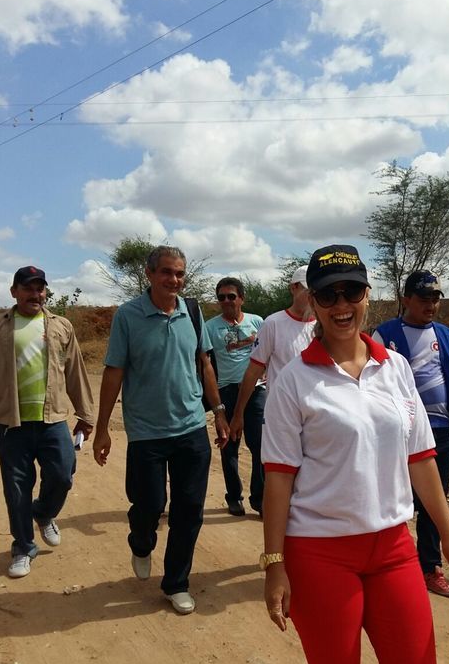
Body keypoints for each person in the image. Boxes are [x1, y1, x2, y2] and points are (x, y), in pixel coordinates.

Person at [260, 245, 449, 664]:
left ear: (367, 295)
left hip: (393, 546)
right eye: (327, 295)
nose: (341, 305)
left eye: (351, 292)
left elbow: (421, 457)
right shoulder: (295, 379)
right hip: (319, 552)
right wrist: (274, 565)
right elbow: (278, 475)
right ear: (311, 301)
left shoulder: (395, 367)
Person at [92, 246, 228, 615]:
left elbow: (205, 363)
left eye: (180, 274)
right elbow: (114, 371)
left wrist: (217, 411)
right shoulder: (128, 316)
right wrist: (102, 427)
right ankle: (141, 542)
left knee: (190, 510)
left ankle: (176, 583)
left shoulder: (193, 312)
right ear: (150, 274)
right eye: (167, 272)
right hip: (146, 432)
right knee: (149, 504)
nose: (174, 280)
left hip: (190, 429)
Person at [0, 265, 94, 579]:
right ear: (14, 292)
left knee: (63, 475)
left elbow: (75, 372)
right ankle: (23, 547)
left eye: (40, 289)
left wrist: (86, 415)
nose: (35, 294)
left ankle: (44, 513)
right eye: (28, 288)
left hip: (52, 421)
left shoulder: (61, 326)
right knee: (17, 489)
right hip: (11, 424)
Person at [373, 270, 449, 598]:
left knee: (436, 501)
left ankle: (430, 567)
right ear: (406, 300)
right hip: (398, 434)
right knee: (394, 496)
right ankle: (384, 560)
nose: (431, 305)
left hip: (439, 432)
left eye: (436, 298)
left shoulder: (447, 336)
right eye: (424, 299)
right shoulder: (385, 334)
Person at [228, 265, 315, 443]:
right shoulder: (273, 324)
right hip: (282, 415)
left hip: (316, 414)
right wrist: (238, 414)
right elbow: (253, 371)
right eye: (307, 290)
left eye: (316, 290)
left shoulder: (325, 325)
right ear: (293, 288)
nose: (311, 295)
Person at [205, 277, 264, 516]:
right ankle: (233, 497)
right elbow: (205, 363)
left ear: (241, 298)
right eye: (221, 297)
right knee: (229, 446)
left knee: (260, 446)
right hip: (226, 390)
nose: (227, 301)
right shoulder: (210, 327)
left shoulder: (257, 322)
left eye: (231, 296)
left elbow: (268, 351)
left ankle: (260, 500)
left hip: (256, 390)